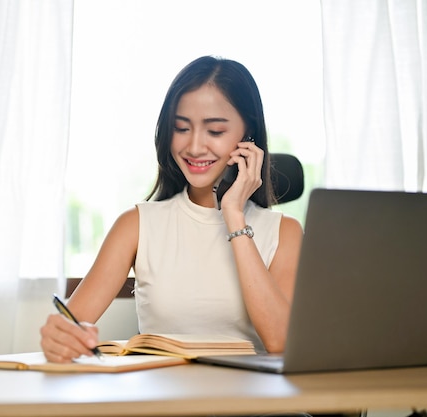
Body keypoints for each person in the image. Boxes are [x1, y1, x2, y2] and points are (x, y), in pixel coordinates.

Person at [40, 55, 303, 363]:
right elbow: (71, 326)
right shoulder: (136, 225)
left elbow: (281, 342)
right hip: (163, 405)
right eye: (181, 128)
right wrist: (58, 338)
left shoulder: (284, 232)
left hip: (251, 408)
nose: (193, 147)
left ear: (248, 137)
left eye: (215, 131)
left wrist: (233, 214)